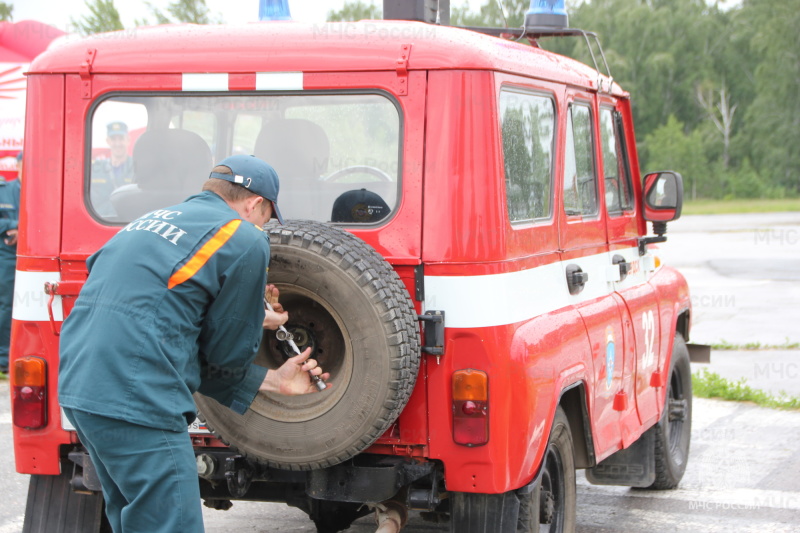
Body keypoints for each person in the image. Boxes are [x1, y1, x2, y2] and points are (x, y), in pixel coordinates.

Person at [58, 154, 330, 533]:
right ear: (255, 205)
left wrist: (272, 373)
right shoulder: (243, 236)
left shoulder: (146, 223)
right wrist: (249, 328)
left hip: (82, 389)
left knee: (134, 519)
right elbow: (224, 355)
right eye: (265, 218)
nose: (261, 227)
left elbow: (147, 301)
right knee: (172, 525)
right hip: (139, 398)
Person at [0, 151, 22, 374]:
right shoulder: (3, 190)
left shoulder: (42, 190)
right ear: (17, 165)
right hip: (7, 255)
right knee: (6, 305)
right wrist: (10, 227)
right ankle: (3, 358)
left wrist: (19, 226)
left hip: (33, 256)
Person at [91, 121, 135, 217]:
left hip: (128, 221)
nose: (117, 143)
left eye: (121, 139)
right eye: (113, 139)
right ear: (108, 141)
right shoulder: (95, 169)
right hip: (100, 221)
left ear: (128, 140)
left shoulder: (137, 167)